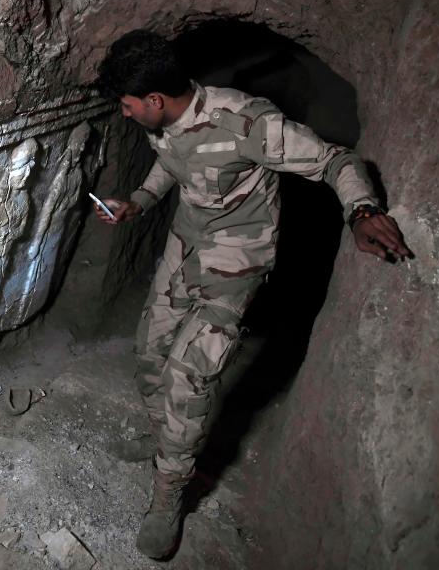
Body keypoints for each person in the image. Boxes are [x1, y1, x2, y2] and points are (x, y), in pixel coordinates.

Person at [93, 30, 412, 560]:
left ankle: (170, 493)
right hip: (184, 251)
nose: (125, 116)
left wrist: (360, 211)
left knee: (188, 377)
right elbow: (168, 162)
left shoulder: (246, 122)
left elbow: (336, 161)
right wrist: (140, 202)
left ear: (154, 100)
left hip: (237, 265)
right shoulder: (163, 119)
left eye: (127, 107)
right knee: (148, 354)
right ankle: (167, 446)